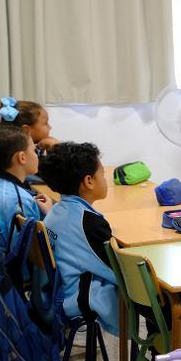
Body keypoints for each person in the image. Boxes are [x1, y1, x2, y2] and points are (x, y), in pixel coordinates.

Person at [39, 142, 120, 335]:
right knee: (165, 293)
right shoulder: (89, 223)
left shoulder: (56, 211)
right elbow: (118, 270)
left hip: (59, 291)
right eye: (102, 173)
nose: (105, 178)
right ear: (89, 181)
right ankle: (164, 356)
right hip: (78, 298)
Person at [0, 125, 53, 249]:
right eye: (34, 150)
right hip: (8, 266)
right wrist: (50, 215)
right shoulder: (19, 201)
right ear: (22, 157)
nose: (37, 155)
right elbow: (39, 250)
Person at [0, 97, 58, 190]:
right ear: (26, 130)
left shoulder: (5, 150)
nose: (50, 127)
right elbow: (57, 179)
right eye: (45, 123)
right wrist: (57, 148)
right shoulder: (17, 157)